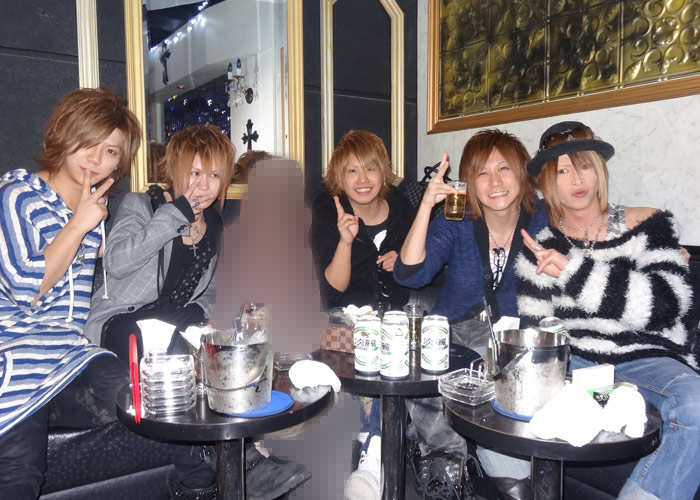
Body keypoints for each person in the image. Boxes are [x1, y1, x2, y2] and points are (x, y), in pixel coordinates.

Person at [85, 125, 310, 500]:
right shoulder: (141, 205)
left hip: (175, 323)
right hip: (121, 321)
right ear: (175, 171)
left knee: (220, 351)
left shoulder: (215, 224)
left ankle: (204, 477)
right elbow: (117, 263)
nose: (204, 186)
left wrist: (197, 314)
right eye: (194, 173)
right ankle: (244, 462)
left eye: (214, 175)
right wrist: (173, 214)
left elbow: (212, 289)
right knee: (174, 357)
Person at [516, 120, 700, 500]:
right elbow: (538, 331)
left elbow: (668, 305)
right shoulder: (541, 247)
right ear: (548, 182)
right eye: (563, 171)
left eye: (585, 165)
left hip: (648, 359)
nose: (577, 179)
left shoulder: (647, 224)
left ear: (599, 169)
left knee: (696, 407)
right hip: (578, 364)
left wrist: (573, 272)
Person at [0, 87, 141, 500]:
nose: (96, 159)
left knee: (146, 402)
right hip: (16, 357)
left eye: (111, 151)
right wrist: (78, 225)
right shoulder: (15, 196)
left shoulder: (92, 208)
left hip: (70, 356)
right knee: (21, 468)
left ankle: (212, 482)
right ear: (64, 135)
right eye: (87, 143)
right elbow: (25, 288)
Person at [393, 129, 550, 500]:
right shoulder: (457, 220)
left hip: (509, 341)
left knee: (485, 380)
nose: (494, 182)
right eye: (482, 173)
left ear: (522, 172)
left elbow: (596, 220)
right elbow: (409, 275)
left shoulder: (543, 217)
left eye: (503, 168)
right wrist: (426, 207)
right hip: (451, 332)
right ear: (469, 183)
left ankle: (493, 475)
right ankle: (447, 470)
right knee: (425, 368)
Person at [310, 130, 415, 500]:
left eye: (370, 168)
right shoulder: (329, 209)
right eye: (351, 171)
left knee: (396, 346)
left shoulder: (401, 206)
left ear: (383, 172)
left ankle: (371, 447)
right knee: (370, 344)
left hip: (395, 314)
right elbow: (333, 290)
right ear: (339, 178)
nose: (362, 179)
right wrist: (345, 241)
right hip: (345, 314)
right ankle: (372, 447)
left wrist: (403, 262)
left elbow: (420, 271)